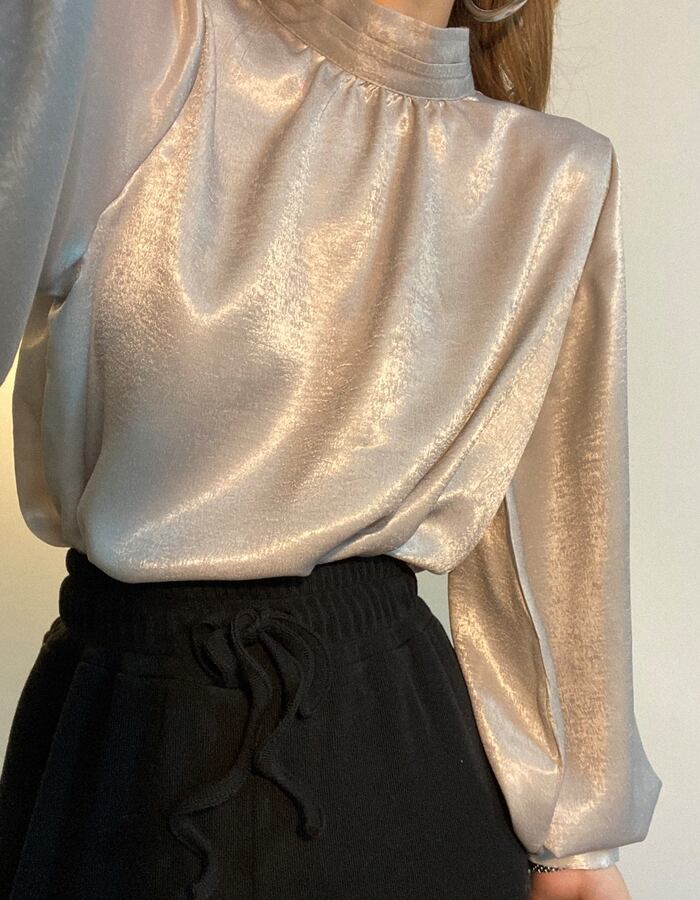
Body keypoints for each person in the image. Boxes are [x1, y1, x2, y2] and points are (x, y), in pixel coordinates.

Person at [0, 0, 662, 898]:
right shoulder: (147, 45)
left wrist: (577, 851)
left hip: (394, 775)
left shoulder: (553, 179)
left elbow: (553, 551)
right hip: (119, 738)